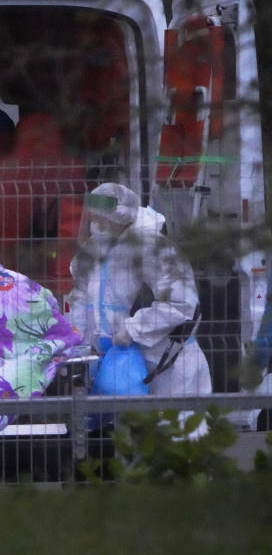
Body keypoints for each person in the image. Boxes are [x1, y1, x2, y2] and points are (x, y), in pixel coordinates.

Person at [68, 183, 212, 433]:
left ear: (121, 216)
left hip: (169, 362)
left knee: (179, 439)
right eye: (92, 216)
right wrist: (78, 339)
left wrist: (133, 329)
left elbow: (181, 303)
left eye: (101, 217)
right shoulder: (99, 246)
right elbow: (83, 297)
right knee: (133, 445)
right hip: (124, 362)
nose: (94, 222)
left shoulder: (154, 248)